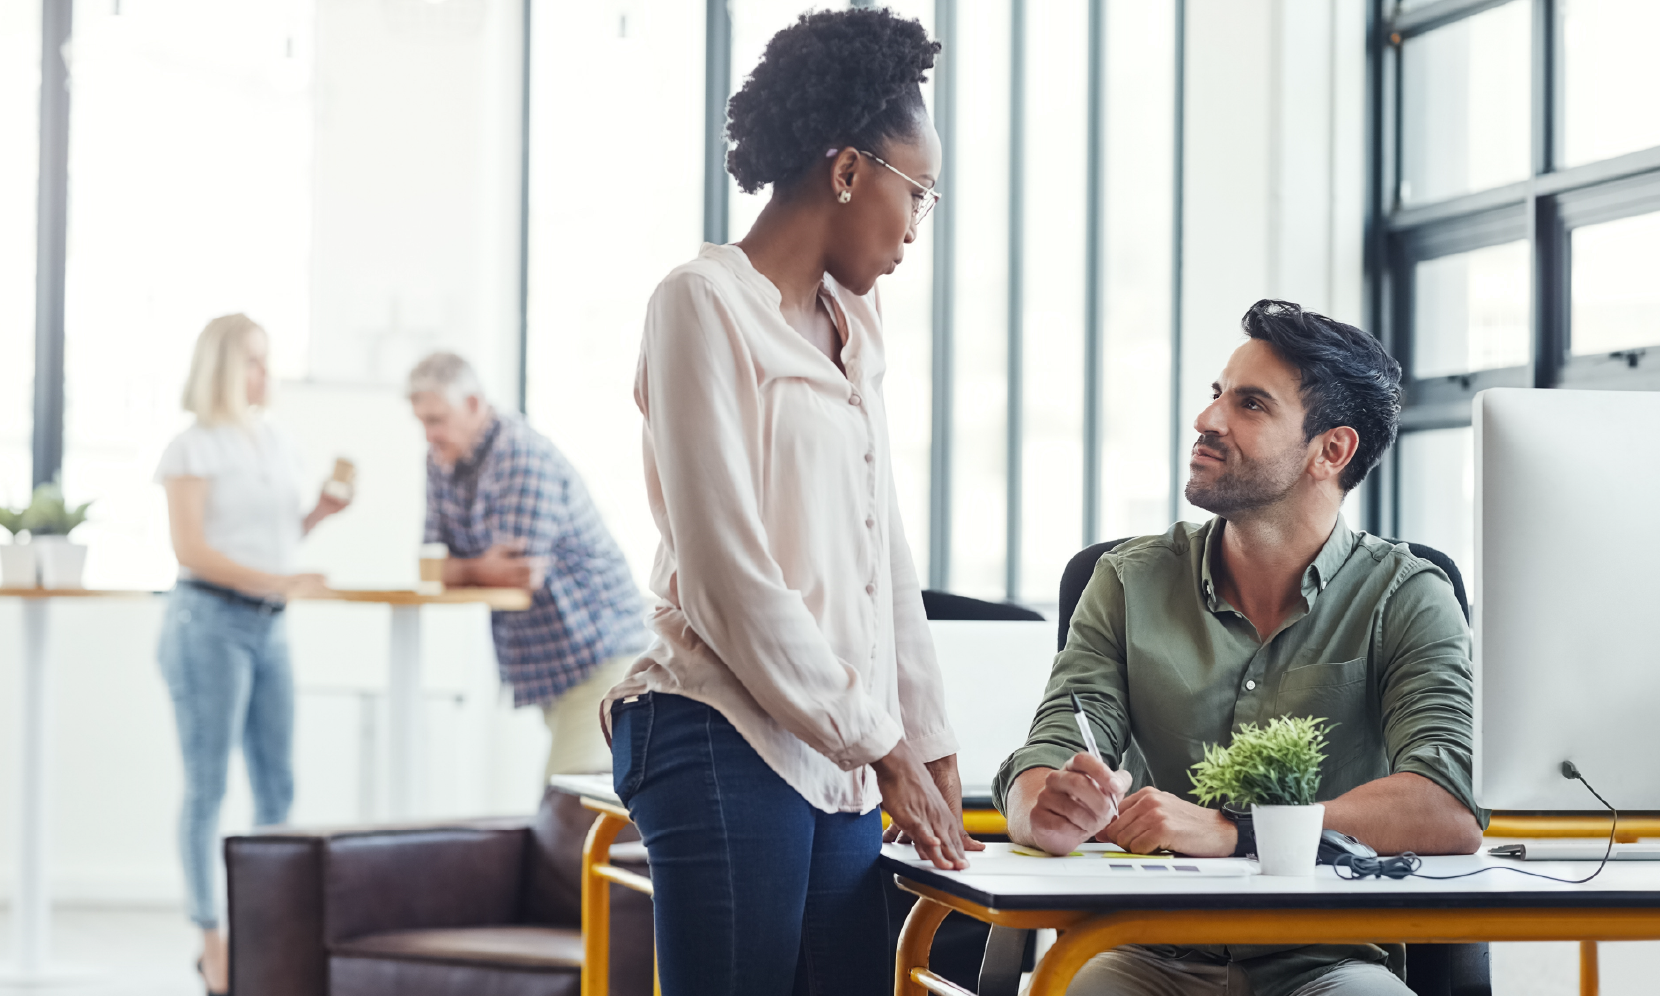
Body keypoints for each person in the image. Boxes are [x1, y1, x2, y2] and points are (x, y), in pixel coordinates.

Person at [601, 9, 979, 995]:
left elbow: (879, 554)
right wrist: (882, 744)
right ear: (848, 172)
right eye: (917, 194)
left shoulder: (852, 324)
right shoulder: (700, 305)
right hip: (715, 721)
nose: (913, 227)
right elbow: (729, 577)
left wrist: (926, 741)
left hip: (837, 745)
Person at [995, 300, 1486, 996]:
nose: (1207, 421)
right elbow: (1049, 753)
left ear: (1332, 451)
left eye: (1250, 404)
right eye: (1217, 395)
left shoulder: (1405, 596)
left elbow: (1447, 804)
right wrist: (1043, 808)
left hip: (1330, 964)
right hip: (1140, 952)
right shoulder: (1128, 582)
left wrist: (1238, 829)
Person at [156, 314, 348, 996]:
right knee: (208, 787)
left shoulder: (273, 443)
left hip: (270, 626)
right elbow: (193, 550)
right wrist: (283, 581)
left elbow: (269, 538)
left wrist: (317, 516)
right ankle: (210, 940)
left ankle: (267, 932)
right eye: (253, 363)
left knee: (278, 787)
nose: (265, 376)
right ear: (221, 370)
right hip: (206, 622)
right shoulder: (193, 448)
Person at [409, 351, 647, 779]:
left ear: (474, 405)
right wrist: (479, 567)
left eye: (438, 420)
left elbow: (519, 575)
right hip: (554, 667)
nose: (430, 434)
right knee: (580, 808)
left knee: (567, 810)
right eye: (422, 421)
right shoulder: (442, 460)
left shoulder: (520, 456)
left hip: (601, 654)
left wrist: (460, 568)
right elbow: (429, 566)